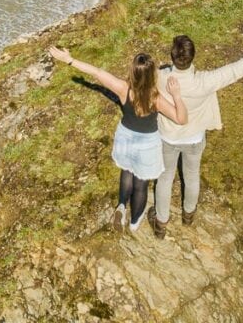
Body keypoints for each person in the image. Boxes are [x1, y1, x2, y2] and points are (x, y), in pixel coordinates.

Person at [149, 30, 243, 239]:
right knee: (191, 176)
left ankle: (161, 222)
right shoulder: (206, 81)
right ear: (191, 58)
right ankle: (188, 214)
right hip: (195, 138)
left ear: (172, 56)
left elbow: (139, 77)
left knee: (164, 179)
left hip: (167, 138)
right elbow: (236, 70)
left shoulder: (160, 78)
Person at [48, 45, 187, 231]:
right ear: (152, 76)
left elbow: (97, 72)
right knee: (141, 184)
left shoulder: (123, 88)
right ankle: (134, 221)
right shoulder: (156, 98)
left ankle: (121, 205)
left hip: (125, 137)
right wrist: (177, 96)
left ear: (133, 73)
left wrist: (70, 60)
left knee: (127, 172)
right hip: (146, 143)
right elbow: (181, 119)